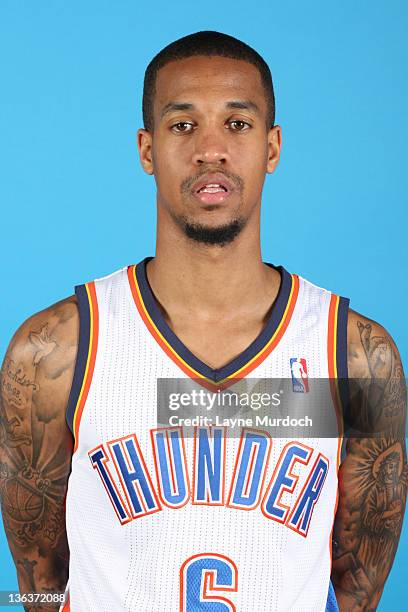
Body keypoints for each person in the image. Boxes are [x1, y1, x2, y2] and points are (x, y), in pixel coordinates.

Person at [0, 30, 406, 612]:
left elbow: (357, 590)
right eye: (183, 125)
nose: (209, 149)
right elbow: (40, 586)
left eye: (236, 125)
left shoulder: (356, 357)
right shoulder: (52, 353)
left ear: (272, 147)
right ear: (147, 149)